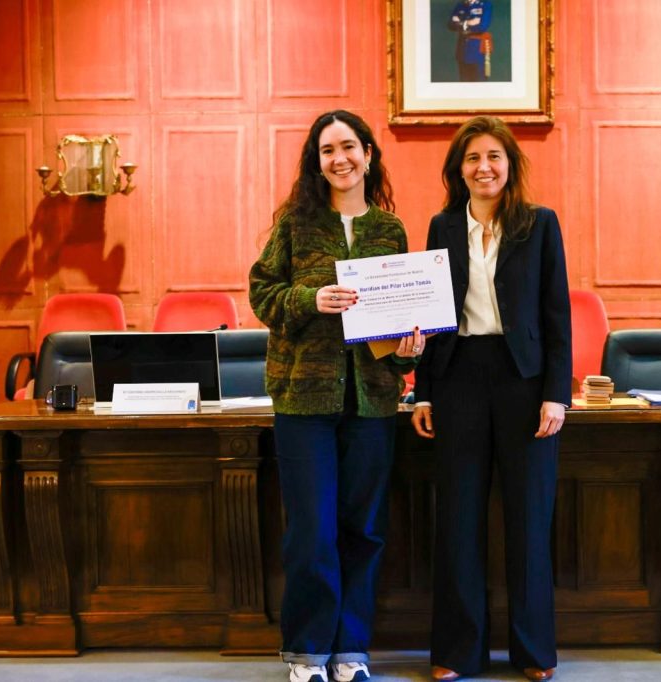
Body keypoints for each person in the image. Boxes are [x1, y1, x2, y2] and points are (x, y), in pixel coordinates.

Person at [250, 110, 424, 682]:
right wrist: (310, 299)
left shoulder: (389, 230)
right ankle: (307, 652)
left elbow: (397, 329)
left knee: (364, 531)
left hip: (372, 403)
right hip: (304, 402)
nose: (339, 158)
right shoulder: (296, 224)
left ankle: (351, 649)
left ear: (368, 155)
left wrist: (410, 347)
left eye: (348, 147)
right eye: (327, 150)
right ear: (317, 162)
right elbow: (262, 293)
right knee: (312, 532)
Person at [412, 116, 572, 681]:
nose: (484, 167)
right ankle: (458, 651)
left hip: (523, 380)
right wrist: (423, 394)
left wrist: (556, 394)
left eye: (494, 157)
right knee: (459, 519)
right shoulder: (442, 227)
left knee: (529, 519)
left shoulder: (539, 223)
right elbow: (430, 317)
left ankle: (534, 651)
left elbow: (557, 314)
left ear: (510, 165)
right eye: (473, 158)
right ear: (459, 170)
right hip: (457, 378)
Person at [448, 0, 493, 81]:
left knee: (479, 81)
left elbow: (482, 27)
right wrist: (467, 23)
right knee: (464, 81)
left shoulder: (485, 4)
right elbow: (450, 25)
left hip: (477, 51)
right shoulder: (460, 5)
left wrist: (459, 23)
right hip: (462, 50)